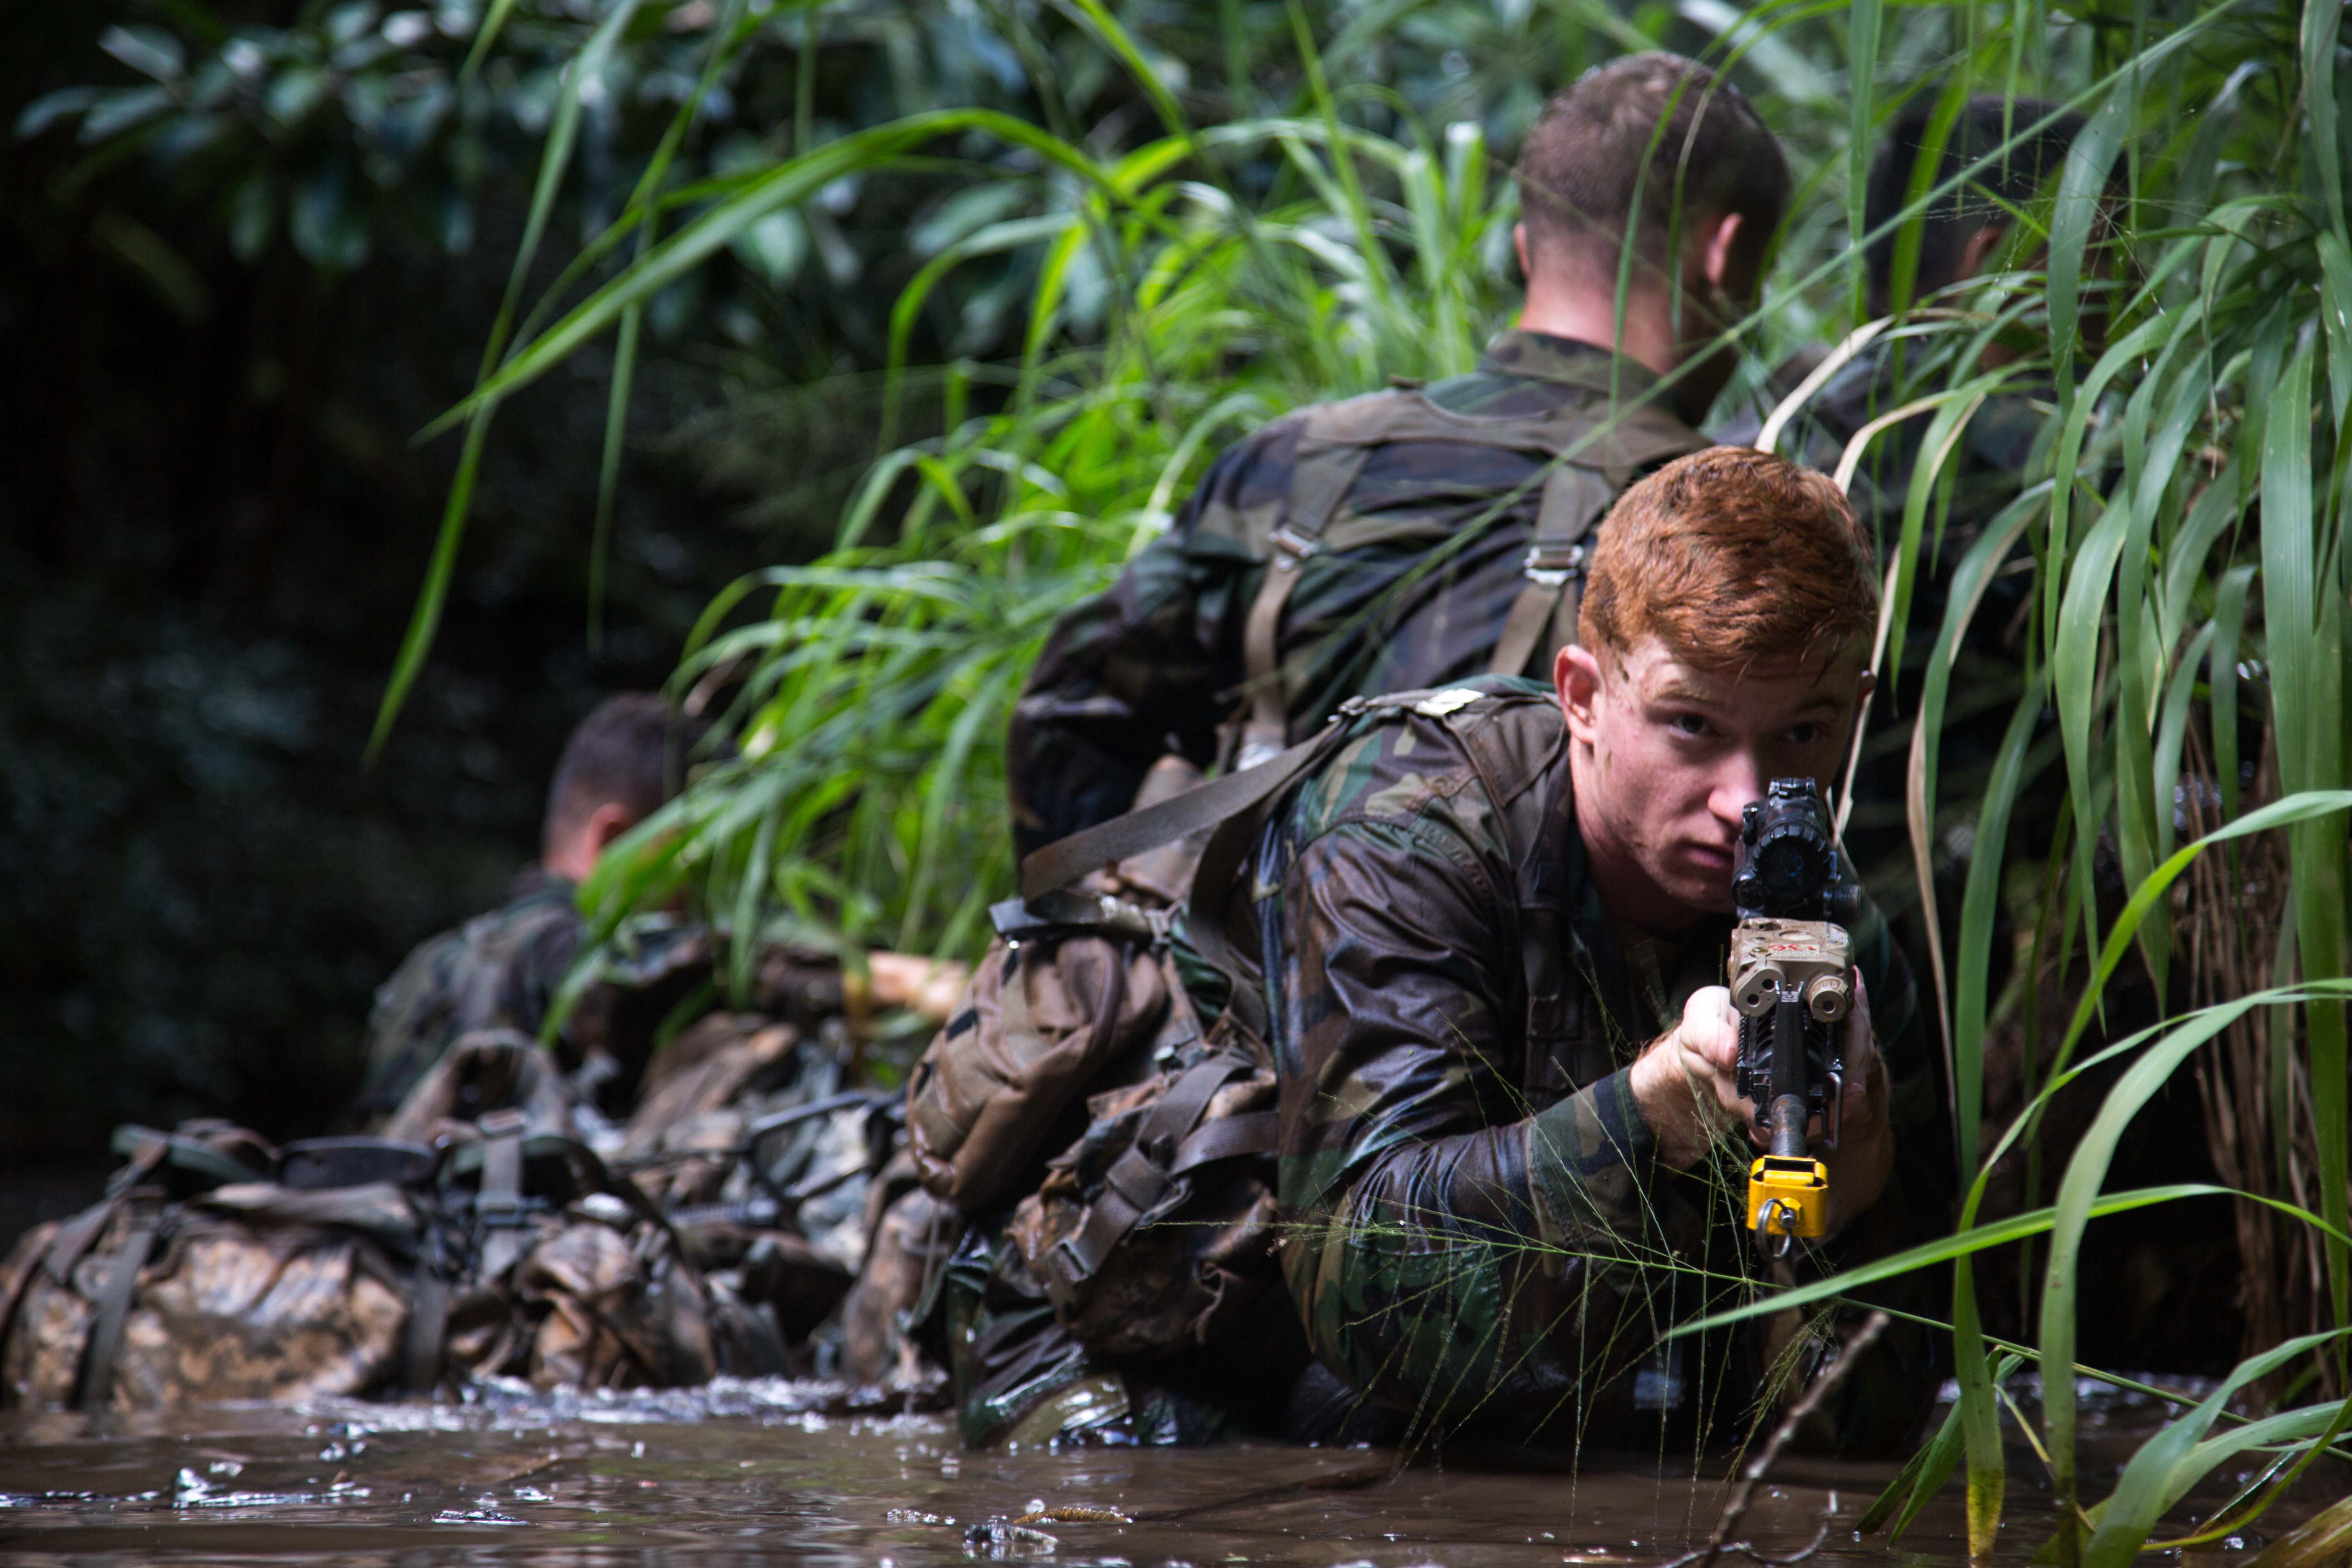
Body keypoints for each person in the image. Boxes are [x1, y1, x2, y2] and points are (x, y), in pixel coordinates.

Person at [1238, 447, 1953, 1450]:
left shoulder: (1826, 935)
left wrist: (1851, 1199)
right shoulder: (1411, 827)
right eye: (1690, 724)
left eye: (1800, 734)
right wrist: (1649, 1110)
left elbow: (1877, 1414)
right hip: (1177, 1309)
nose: (1744, 798)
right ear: (1580, 693)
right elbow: (1358, 1303)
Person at [1006, 53, 1790, 858]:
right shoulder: (1716, 521)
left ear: (1526, 248)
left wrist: (1133, 944)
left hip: (1244, 974)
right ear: (1723, 255)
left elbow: (1069, 711)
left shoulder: (1293, 461)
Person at [346, 693, 707, 1127]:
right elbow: (659, 966)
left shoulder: (429, 964)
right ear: (615, 843)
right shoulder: (564, 956)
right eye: (696, 866)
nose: (700, 897)